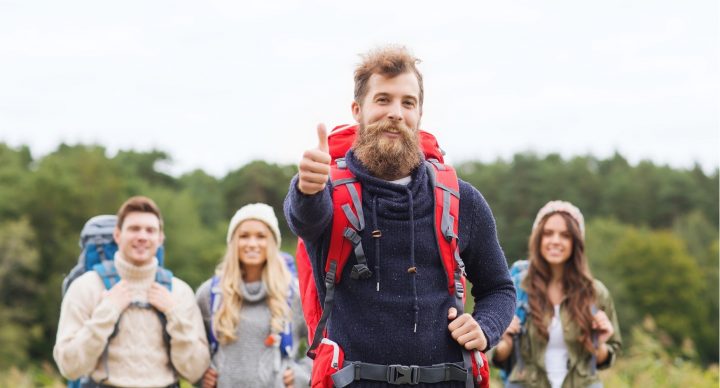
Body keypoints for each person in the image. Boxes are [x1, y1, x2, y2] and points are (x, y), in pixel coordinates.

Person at [284, 45, 515, 387]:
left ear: (419, 114)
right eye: (383, 100)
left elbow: (499, 288)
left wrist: (485, 327)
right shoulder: (327, 192)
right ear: (357, 110)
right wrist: (306, 188)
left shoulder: (461, 199)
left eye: (407, 102)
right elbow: (305, 218)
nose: (396, 112)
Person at [54, 196, 210, 387]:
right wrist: (108, 312)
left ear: (160, 238)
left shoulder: (179, 292)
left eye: (150, 230)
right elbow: (69, 367)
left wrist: (173, 314)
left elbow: (196, 371)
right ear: (117, 235)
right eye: (134, 229)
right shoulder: (87, 287)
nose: (142, 236)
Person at [491, 200, 622, 388]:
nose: (555, 241)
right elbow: (493, 355)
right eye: (548, 233)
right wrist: (505, 341)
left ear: (576, 242)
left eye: (565, 235)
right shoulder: (516, 288)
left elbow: (607, 357)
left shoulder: (595, 293)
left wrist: (598, 344)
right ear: (538, 239)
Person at [196, 203, 311, 388]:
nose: (252, 243)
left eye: (261, 236)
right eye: (243, 236)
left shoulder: (295, 294)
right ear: (233, 242)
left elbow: (323, 344)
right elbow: (191, 346)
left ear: (273, 242)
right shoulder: (210, 294)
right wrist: (200, 374)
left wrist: (303, 374)